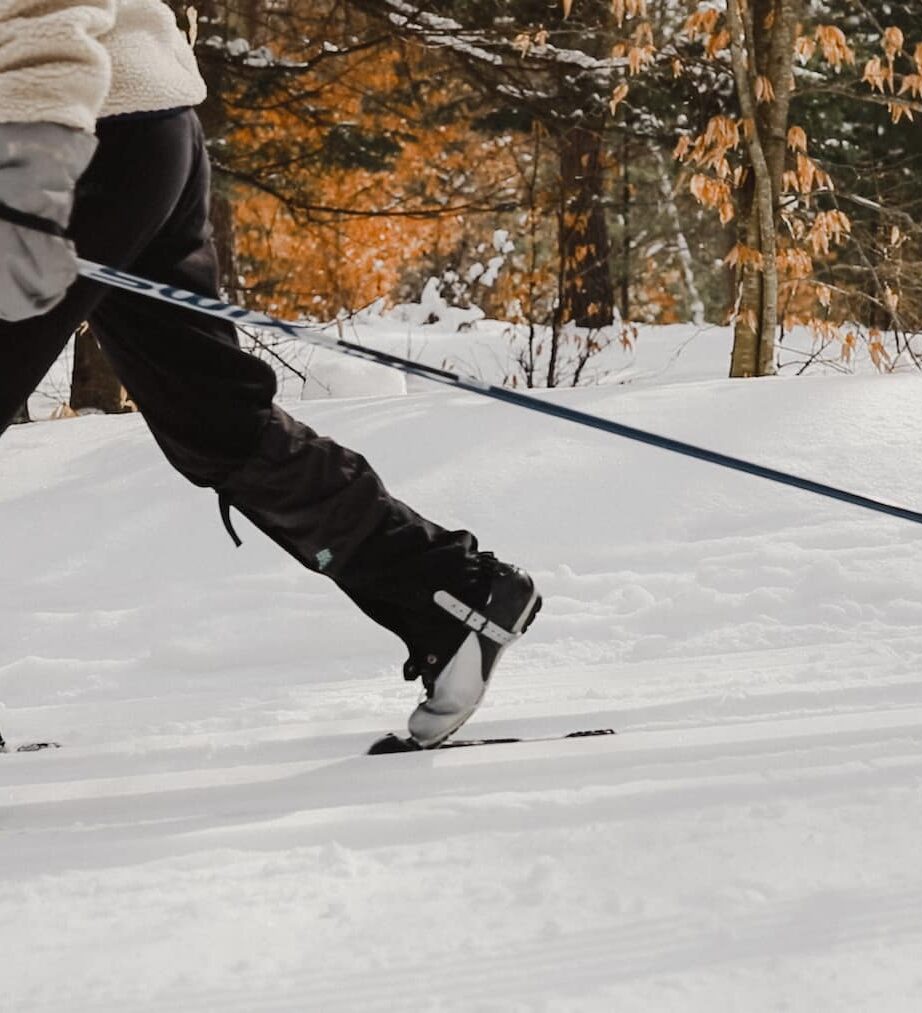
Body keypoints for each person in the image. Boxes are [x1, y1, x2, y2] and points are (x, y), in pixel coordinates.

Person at [0, 0, 540, 747]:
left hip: (68, 132)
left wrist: (30, 175)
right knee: (213, 417)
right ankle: (446, 593)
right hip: (143, 123)